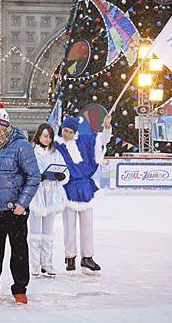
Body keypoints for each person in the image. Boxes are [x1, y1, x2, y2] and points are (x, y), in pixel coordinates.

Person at [0, 104, 40, 305]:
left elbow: (34, 176)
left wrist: (22, 203)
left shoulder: (22, 146)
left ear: (4, 126)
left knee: (18, 249)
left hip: (15, 209)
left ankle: (19, 288)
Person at [55, 114, 112, 276]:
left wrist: (107, 126)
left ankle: (87, 257)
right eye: (65, 130)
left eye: (70, 132)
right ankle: (70, 255)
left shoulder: (85, 141)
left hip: (86, 188)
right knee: (69, 225)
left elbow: (103, 140)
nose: (67, 134)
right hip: (68, 189)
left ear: (75, 132)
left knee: (87, 225)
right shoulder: (57, 146)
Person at [28, 123, 69, 277]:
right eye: (45, 136)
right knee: (35, 233)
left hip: (52, 194)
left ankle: (47, 262)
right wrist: (39, 177)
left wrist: (62, 176)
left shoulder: (56, 153)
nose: (48, 139)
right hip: (36, 194)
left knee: (48, 233)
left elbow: (64, 170)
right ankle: (35, 264)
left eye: (50, 136)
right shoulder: (31, 152)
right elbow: (26, 171)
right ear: (39, 135)